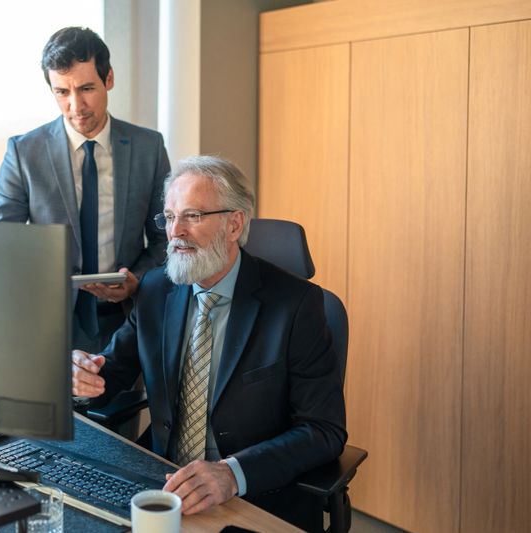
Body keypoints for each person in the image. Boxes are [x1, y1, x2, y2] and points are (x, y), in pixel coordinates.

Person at [71, 156, 347, 531]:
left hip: (256, 494)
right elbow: (111, 372)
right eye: (168, 217)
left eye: (193, 216)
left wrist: (231, 474)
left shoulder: (297, 305)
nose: (175, 232)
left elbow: (323, 429)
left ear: (234, 224)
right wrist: (83, 379)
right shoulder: (155, 289)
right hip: (163, 483)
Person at [0, 27, 169, 353]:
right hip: (48, 320)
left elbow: (164, 238)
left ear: (109, 78)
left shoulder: (149, 147)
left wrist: (136, 279)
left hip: (127, 316)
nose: (75, 106)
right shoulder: (23, 152)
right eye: (62, 92)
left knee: (119, 403)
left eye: (86, 88)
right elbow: (0, 243)